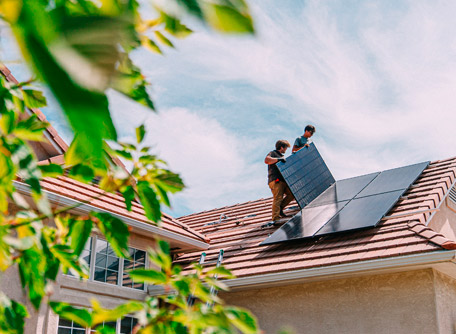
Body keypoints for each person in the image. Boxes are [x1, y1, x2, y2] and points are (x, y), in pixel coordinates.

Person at [264, 140, 294, 223]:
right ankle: (276, 218)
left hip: (283, 181)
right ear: (281, 147)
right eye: (285, 148)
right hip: (275, 180)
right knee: (278, 197)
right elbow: (266, 160)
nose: (286, 150)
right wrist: (278, 159)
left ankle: (280, 208)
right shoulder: (273, 153)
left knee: (291, 194)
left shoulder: (282, 157)